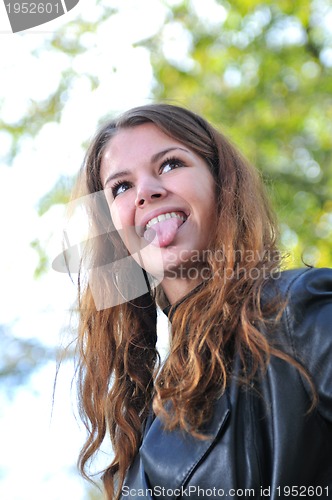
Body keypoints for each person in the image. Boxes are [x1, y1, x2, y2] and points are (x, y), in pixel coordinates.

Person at [72, 104, 332, 499]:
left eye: (170, 164)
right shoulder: (146, 424)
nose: (146, 192)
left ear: (220, 183)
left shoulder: (296, 312)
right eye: (121, 187)